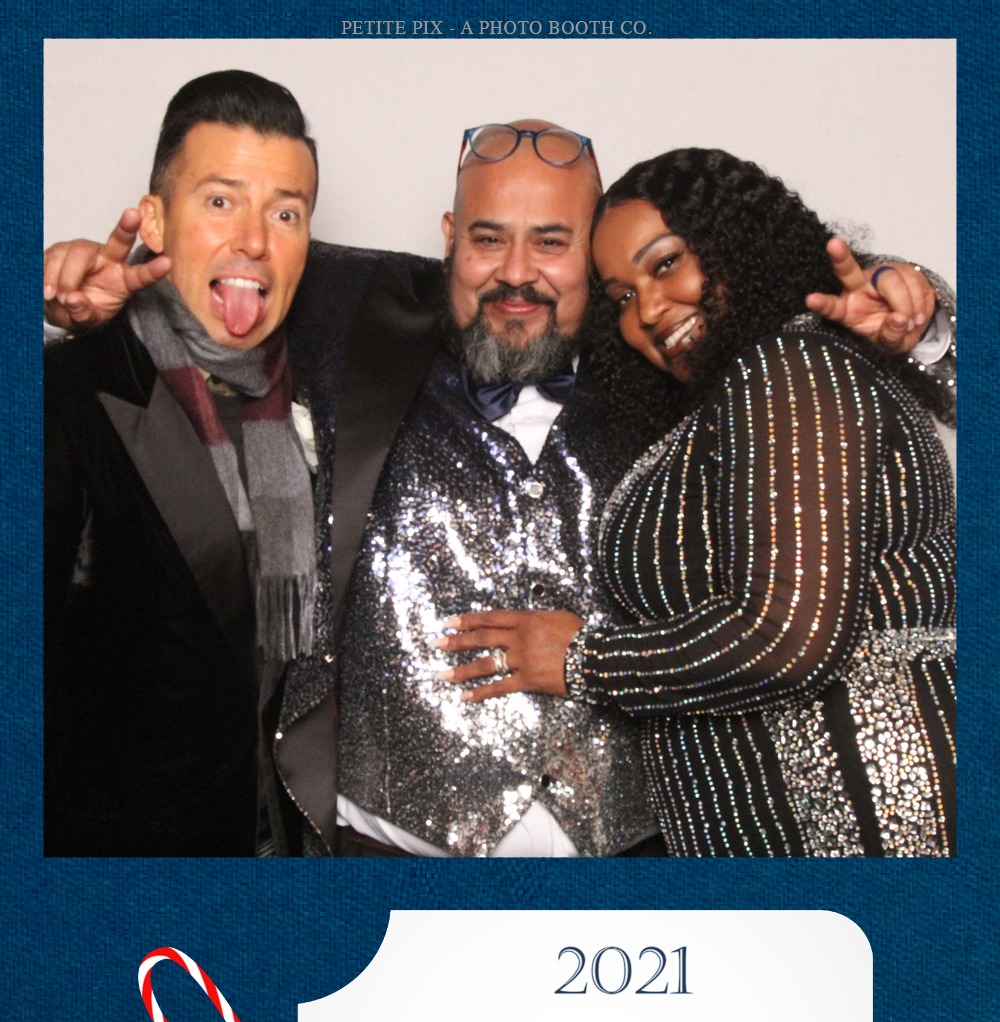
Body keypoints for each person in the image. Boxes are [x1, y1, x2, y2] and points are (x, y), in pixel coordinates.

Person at [44, 124, 953, 857]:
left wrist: (923, 310)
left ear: (593, 252)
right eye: (488, 239)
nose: (517, 271)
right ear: (449, 239)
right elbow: (233, 266)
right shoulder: (348, 326)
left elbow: (795, 325)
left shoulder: (672, 368)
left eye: (554, 242)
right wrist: (100, 285)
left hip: (647, 857)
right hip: (387, 854)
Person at [435, 148, 956, 857]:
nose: (648, 310)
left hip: (861, 818)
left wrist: (584, 660)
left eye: (666, 264)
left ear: (735, 241)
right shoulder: (716, 406)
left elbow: (791, 637)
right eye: (621, 297)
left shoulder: (791, 365)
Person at [45, 70, 320, 855]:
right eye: (221, 201)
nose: (255, 241)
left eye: (286, 212)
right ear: (157, 223)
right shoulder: (66, 392)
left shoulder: (325, 386)